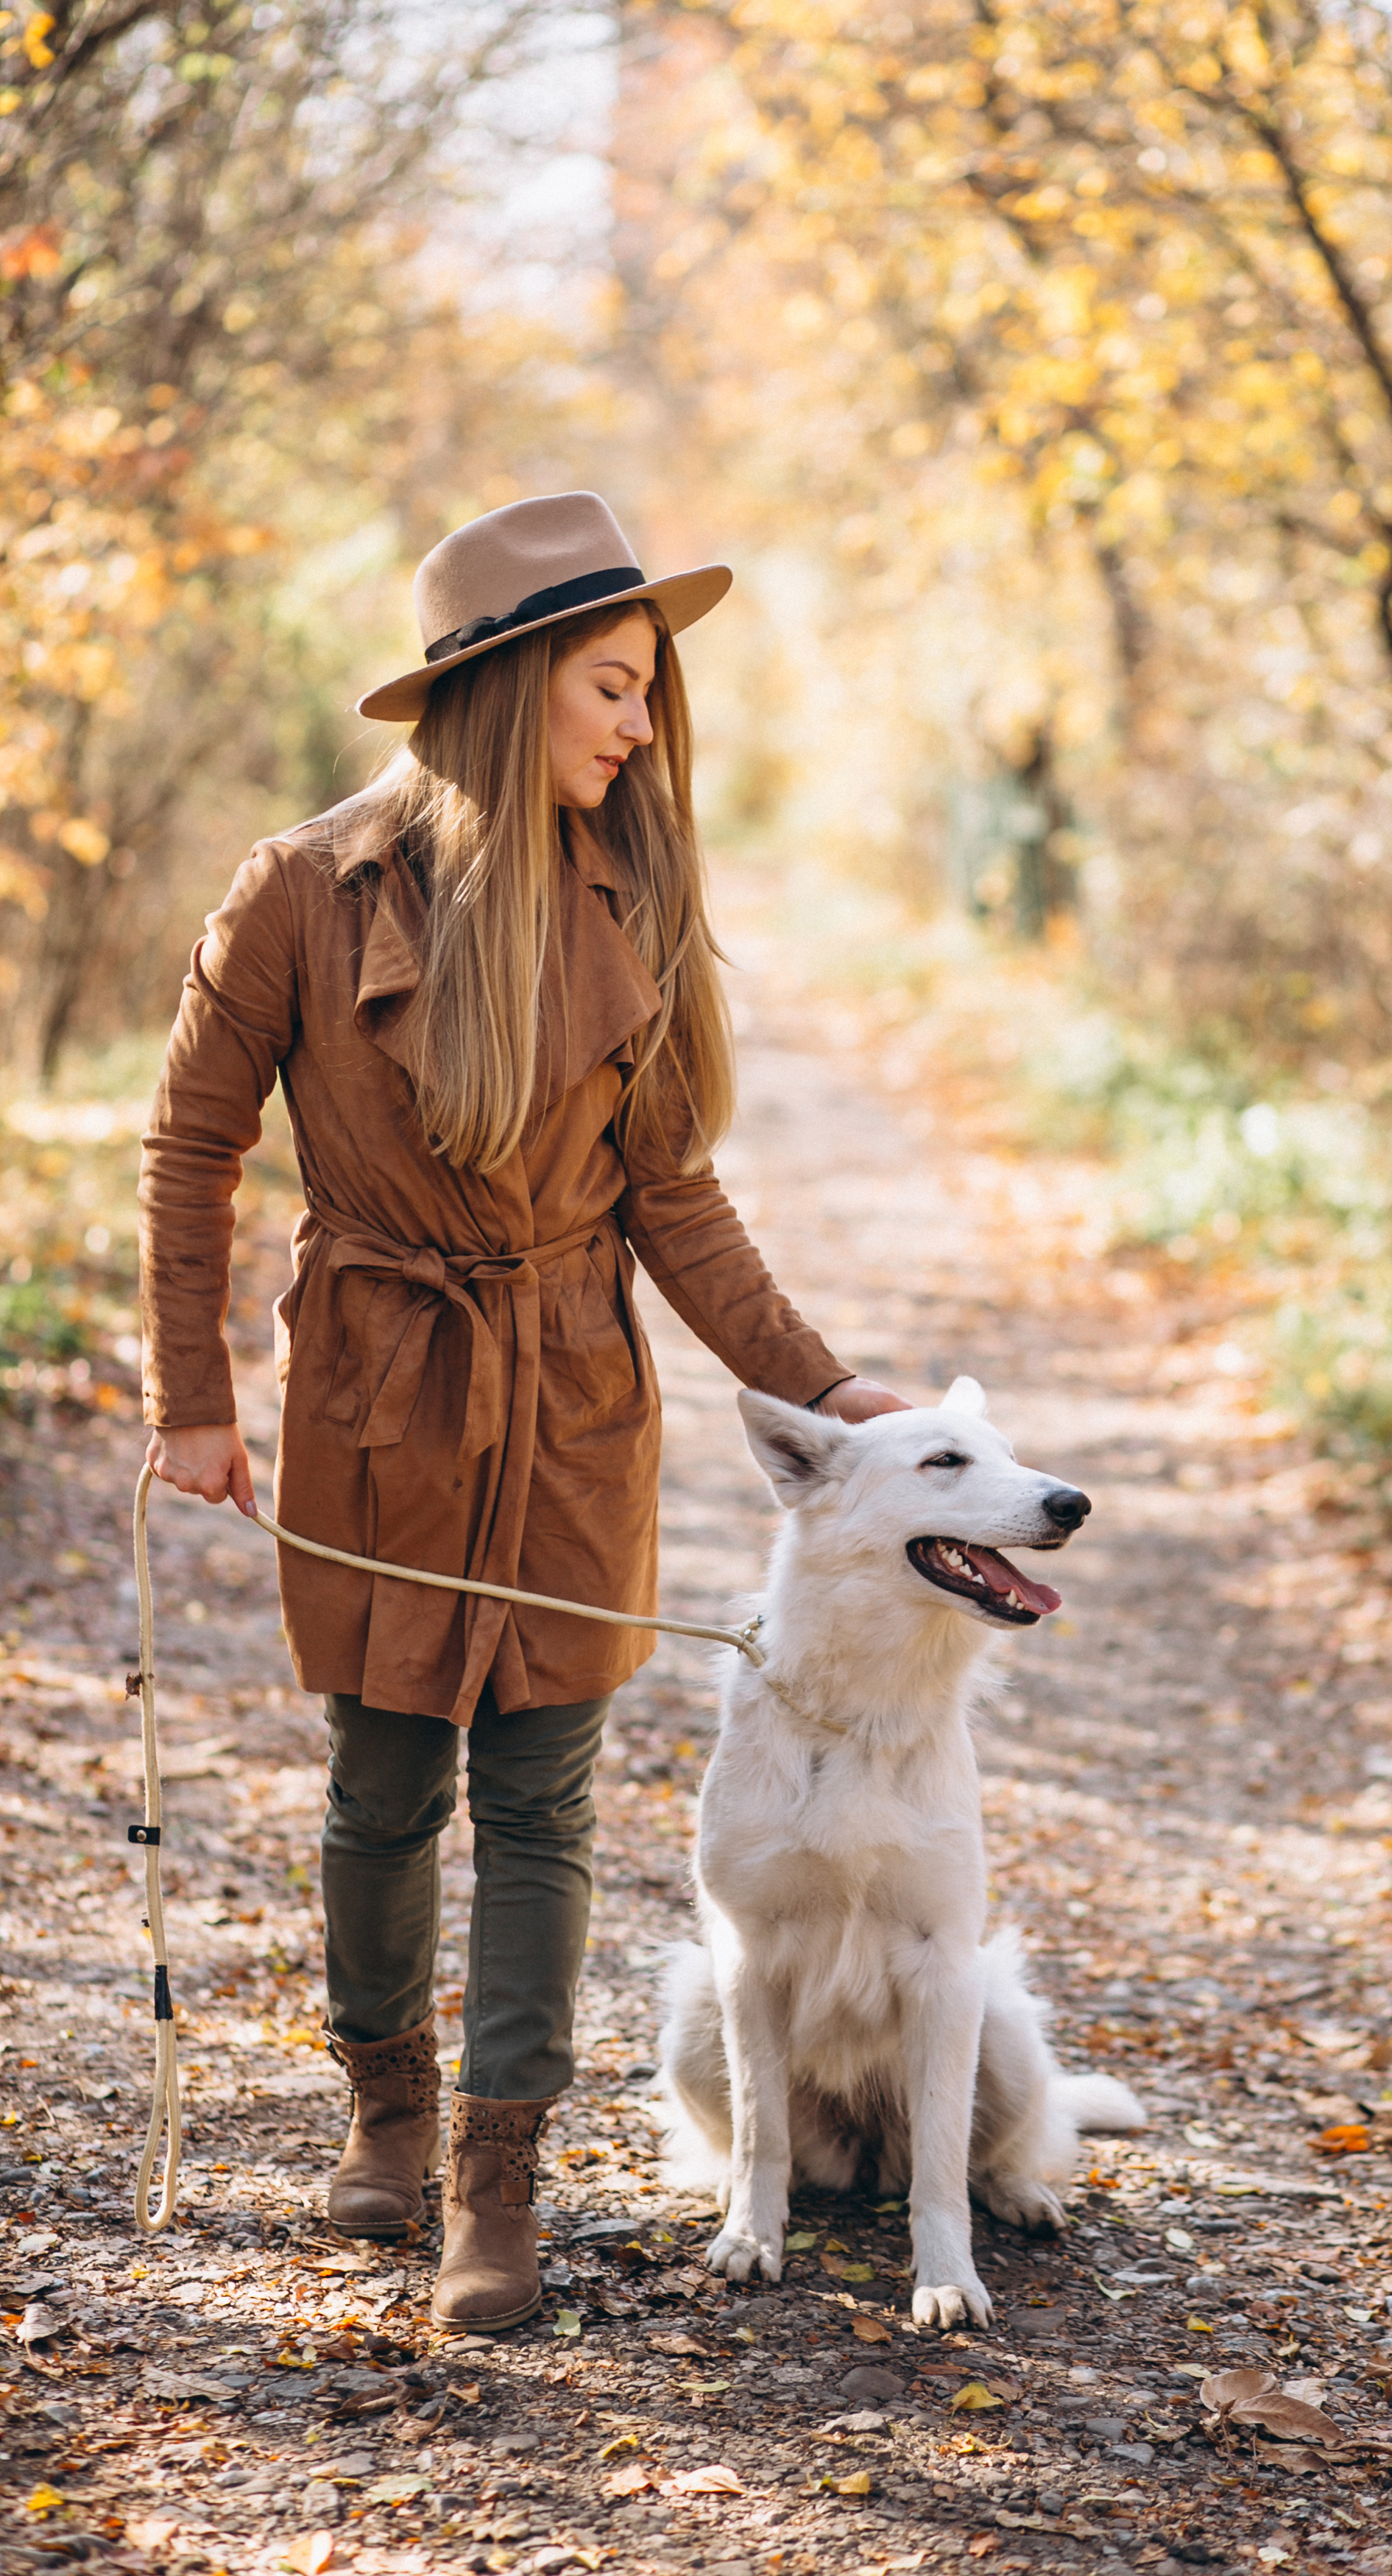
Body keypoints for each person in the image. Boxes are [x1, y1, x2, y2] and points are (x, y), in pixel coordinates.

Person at [138, 492, 906, 2330]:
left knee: (546, 1794)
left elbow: (677, 1205)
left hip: (569, 1389)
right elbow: (191, 1145)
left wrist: (821, 1382)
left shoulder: (627, 900)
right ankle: (385, 2123)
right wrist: (193, 1396)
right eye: (615, 687)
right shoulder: (301, 894)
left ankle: (503, 2173)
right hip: (379, 1386)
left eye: (648, 694)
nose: (641, 728)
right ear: (507, 688)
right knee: (384, 1780)